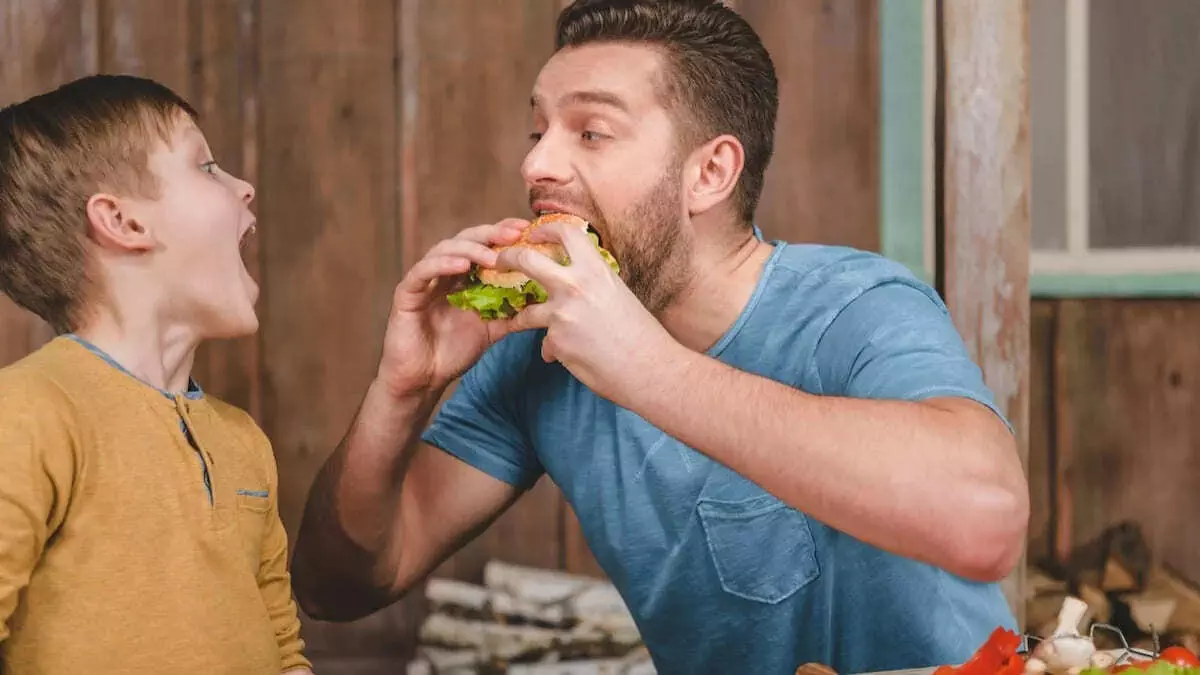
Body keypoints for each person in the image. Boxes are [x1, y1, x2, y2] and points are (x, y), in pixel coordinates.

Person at [290, 1, 1030, 673]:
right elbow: (337, 584)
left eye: (591, 132)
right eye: (537, 130)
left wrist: (646, 367)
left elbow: (986, 523)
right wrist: (401, 390)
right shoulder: (535, 353)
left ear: (709, 172)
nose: (536, 165)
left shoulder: (856, 304)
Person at [0, 75, 310, 674]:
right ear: (123, 221)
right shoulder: (29, 413)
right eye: (207, 166)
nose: (245, 187)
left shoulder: (243, 443)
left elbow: (284, 651)